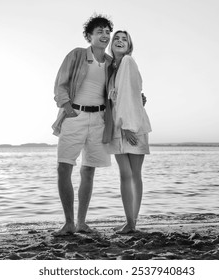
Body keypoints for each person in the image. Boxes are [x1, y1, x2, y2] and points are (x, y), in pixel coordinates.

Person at [52, 14, 114, 235]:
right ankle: (68, 223)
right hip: (74, 116)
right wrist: (67, 107)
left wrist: (139, 99)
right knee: (64, 167)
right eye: (100, 31)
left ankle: (81, 222)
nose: (105, 35)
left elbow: (119, 91)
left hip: (99, 119)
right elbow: (60, 84)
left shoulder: (111, 63)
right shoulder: (77, 55)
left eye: (107, 31)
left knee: (88, 171)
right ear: (89, 36)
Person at [105, 30, 151, 234]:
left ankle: (132, 223)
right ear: (111, 44)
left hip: (131, 126)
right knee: (125, 175)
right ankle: (129, 221)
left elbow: (132, 96)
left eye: (125, 39)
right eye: (117, 38)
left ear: (129, 46)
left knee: (133, 175)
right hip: (118, 125)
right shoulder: (112, 67)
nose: (120, 41)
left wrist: (128, 127)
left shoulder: (128, 62)